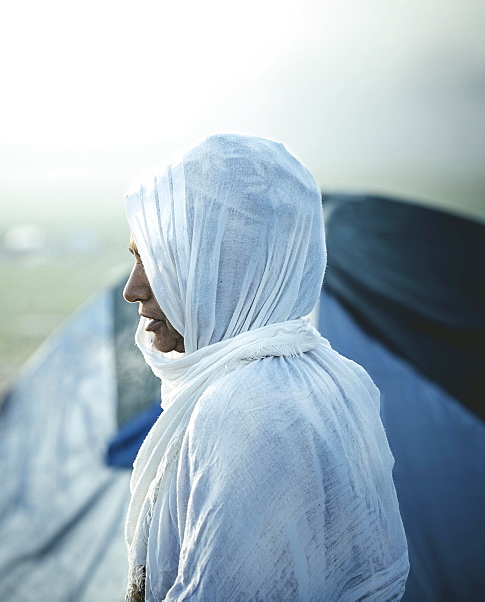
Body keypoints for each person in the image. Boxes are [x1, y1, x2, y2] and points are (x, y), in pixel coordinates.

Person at [122, 135, 409, 600]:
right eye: (134, 260)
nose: (132, 290)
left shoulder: (242, 408)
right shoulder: (338, 375)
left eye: (155, 261)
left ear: (220, 264)